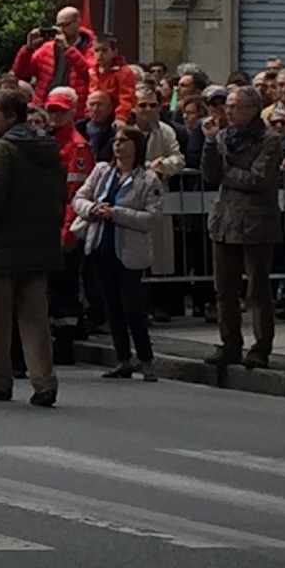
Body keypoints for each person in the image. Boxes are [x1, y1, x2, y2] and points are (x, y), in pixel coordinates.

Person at [0, 87, 63, 407]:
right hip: (39, 242)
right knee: (34, 317)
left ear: (7, 115)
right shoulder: (47, 146)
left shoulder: (2, 150)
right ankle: (44, 381)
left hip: (2, 243)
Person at [201, 84, 285, 370]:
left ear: (252, 110)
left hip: (256, 223)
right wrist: (209, 144)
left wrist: (227, 171)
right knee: (224, 289)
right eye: (227, 106)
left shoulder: (269, 140)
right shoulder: (224, 136)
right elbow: (209, 174)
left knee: (258, 289)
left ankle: (261, 346)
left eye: (234, 106)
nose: (228, 111)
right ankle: (230, 343)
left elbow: (259, 179)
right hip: (225, 220)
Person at [73, 122, 164, 381]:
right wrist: (93, 209)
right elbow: (79, 198)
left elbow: (152, 217)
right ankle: (123, 358)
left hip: (129, 251)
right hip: (102, 246)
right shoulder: (102, 171)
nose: (118, 144)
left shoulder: (148, 179)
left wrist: (116, 213)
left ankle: (146, 360)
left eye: (124, 140)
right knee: (111, 306)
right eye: (116, 140)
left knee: (132, 307)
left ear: (136, 146)